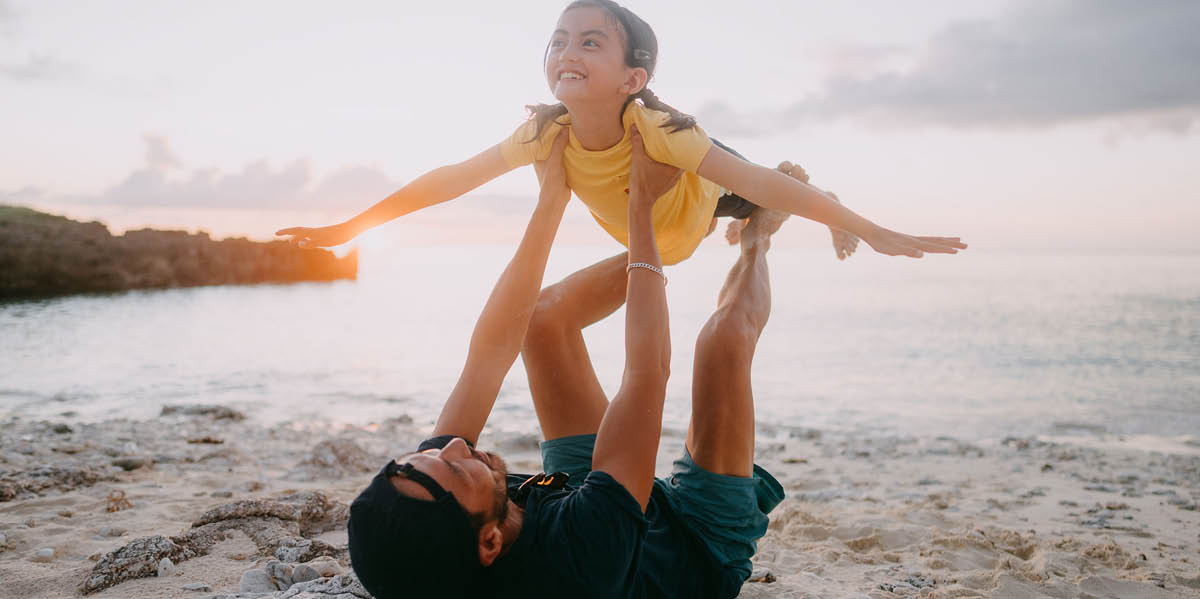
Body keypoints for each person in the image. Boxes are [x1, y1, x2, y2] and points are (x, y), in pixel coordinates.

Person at [348, 126, 789, 599]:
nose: (454, 445)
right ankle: (758, 238)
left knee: (540, 321)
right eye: (454, 469)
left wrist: (551, 200)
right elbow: (646, 373)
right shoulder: (578, 562)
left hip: (575, 493)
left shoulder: (432, 502)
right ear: (491, 541)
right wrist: (640, 205)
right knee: (722, 342)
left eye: (426, 455)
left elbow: (490, 352)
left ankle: (682, 233)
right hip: (695, 542)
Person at [277, 0, 965, 266]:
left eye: (590, 42)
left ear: (632, 78)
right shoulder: (544, 134)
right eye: (557, 40)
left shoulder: (656, 125)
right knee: (738, 203)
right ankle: (785, 207)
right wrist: (351, 227)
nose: (566, 52)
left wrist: (869, 227)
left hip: (687, 202)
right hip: (663, 238)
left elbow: (753, 179)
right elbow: (450, 179)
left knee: (750, 190)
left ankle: (819, 202)